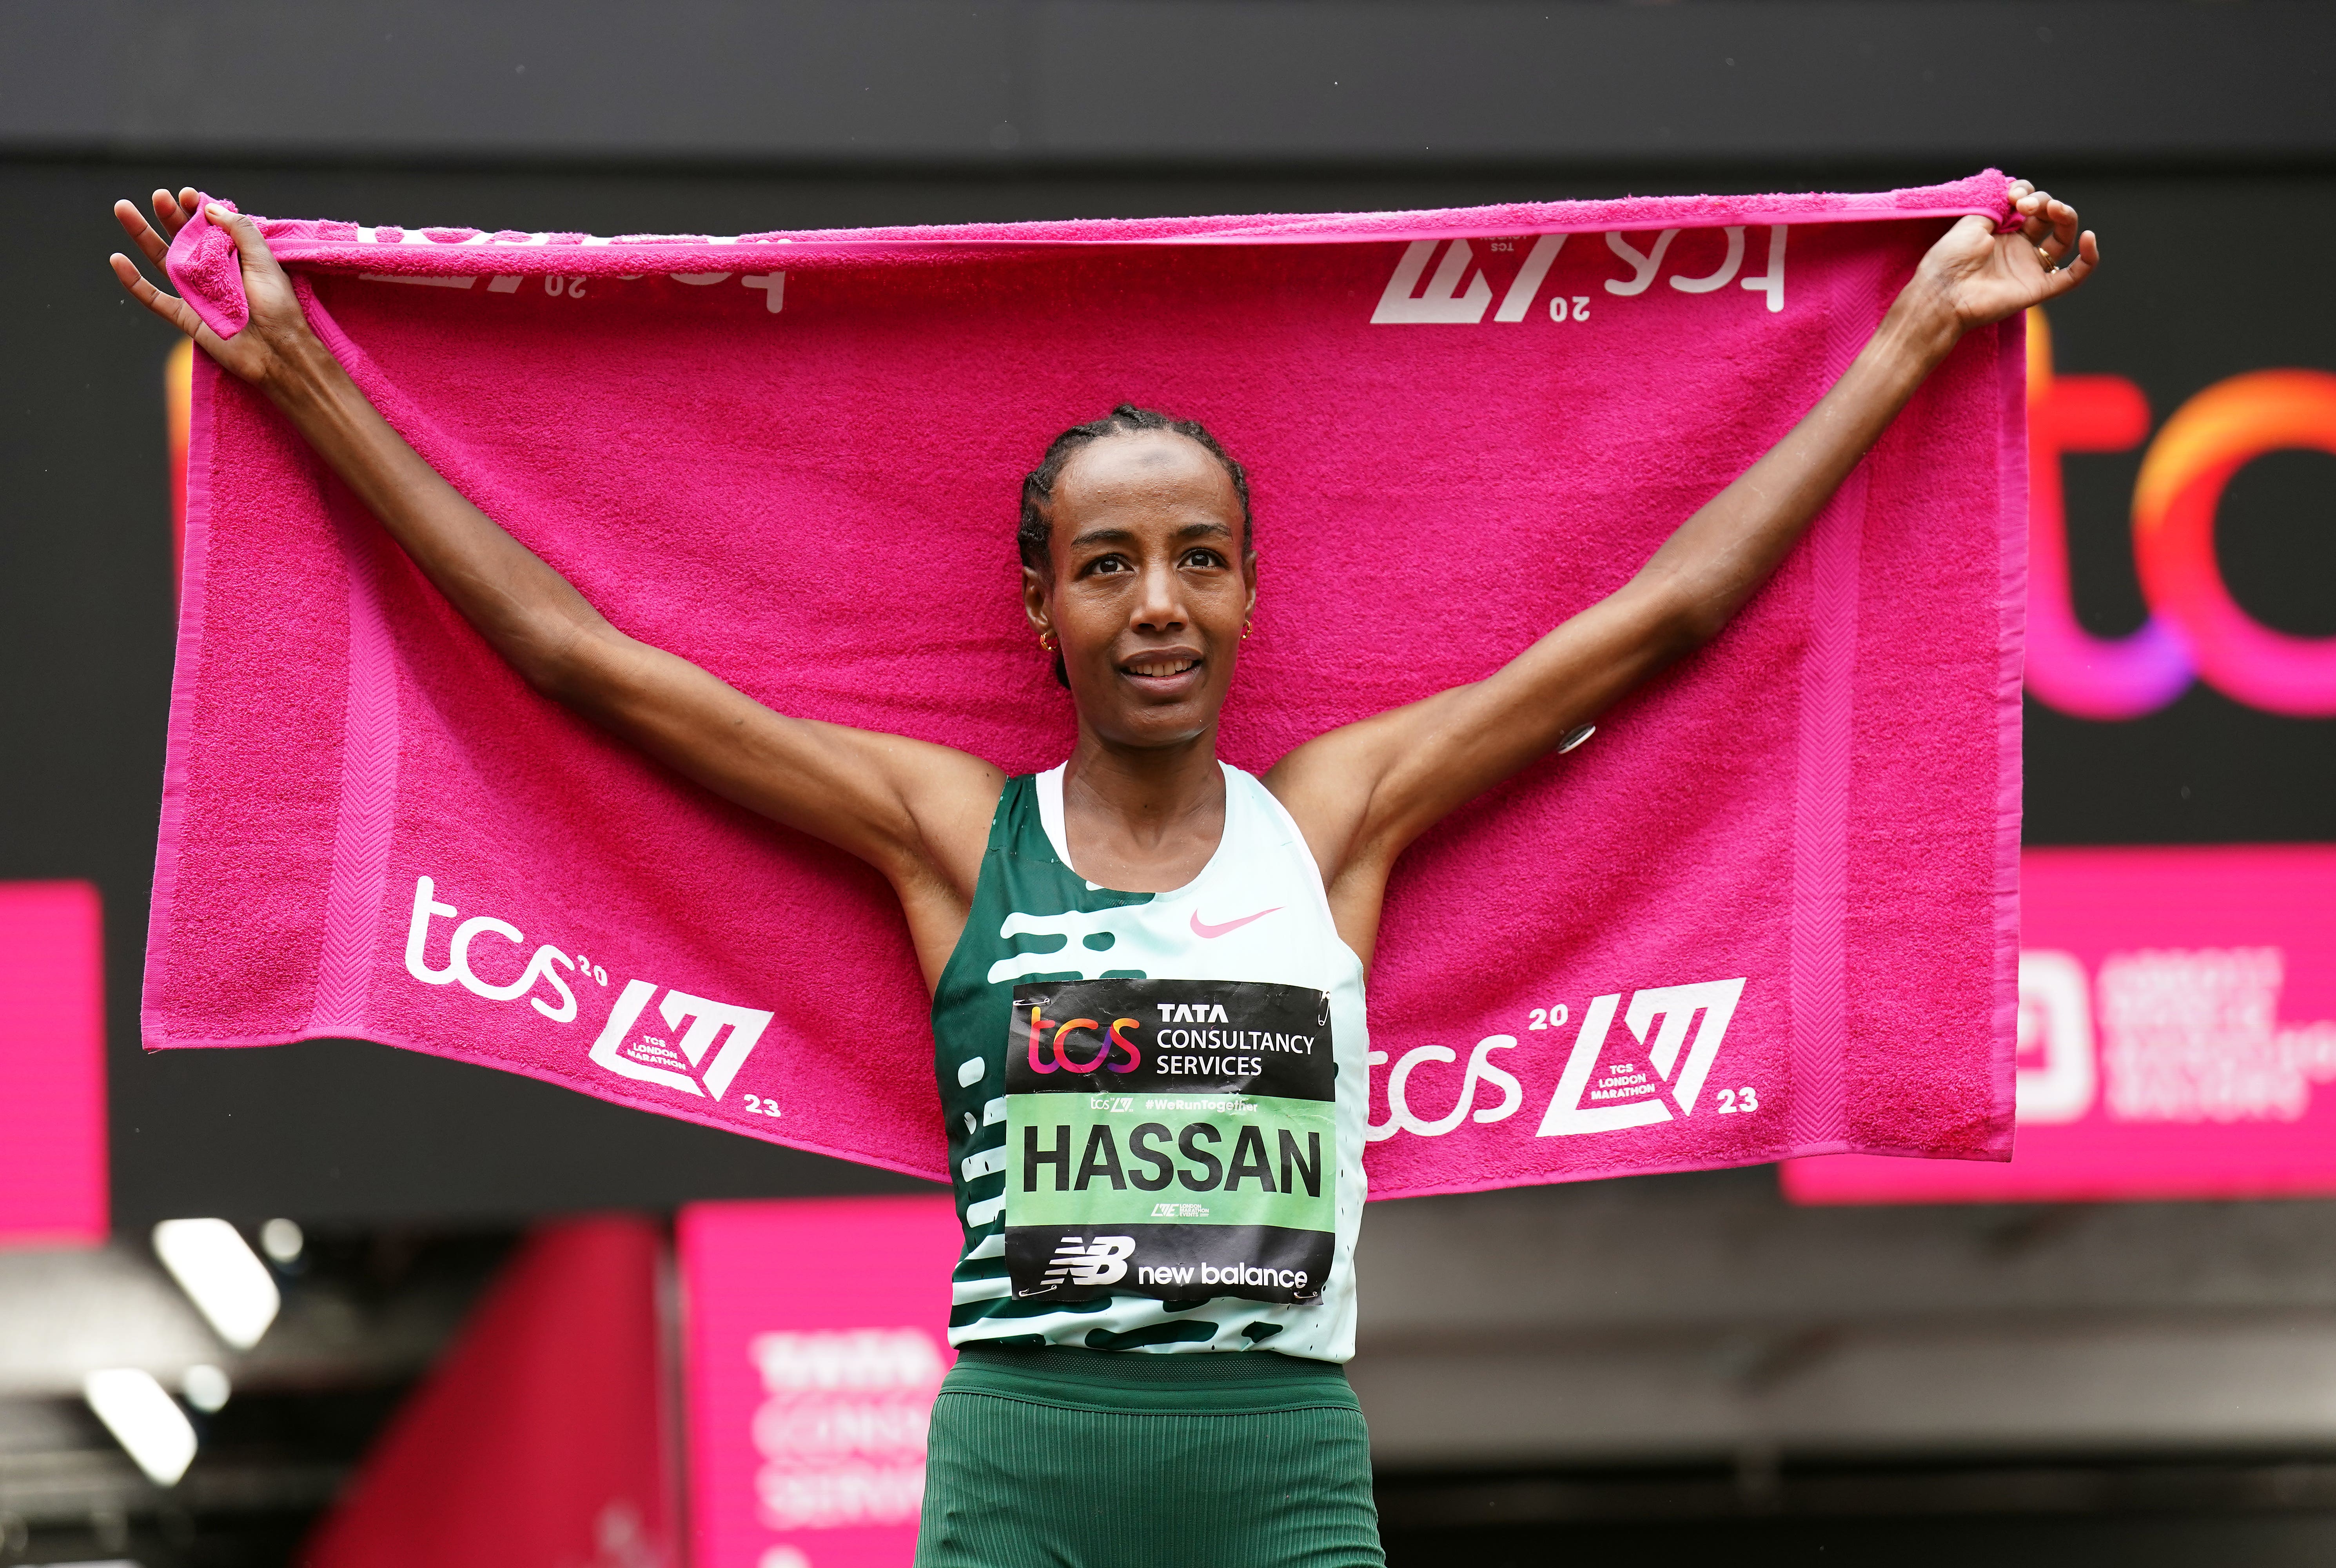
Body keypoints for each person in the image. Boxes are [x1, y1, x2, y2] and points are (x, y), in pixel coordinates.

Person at [111, 181, 2094, 1566]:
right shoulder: (946, 835)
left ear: (1248, 591)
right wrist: (296, 378)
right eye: (1110, 564)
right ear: (1040, 610)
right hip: (1020, 1469)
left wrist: (1920, 322)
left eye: (1201, 557)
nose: (1161, 602)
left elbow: (1670, 615)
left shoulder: (1341, 817)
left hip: (1285, 1468)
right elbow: (573, 660)